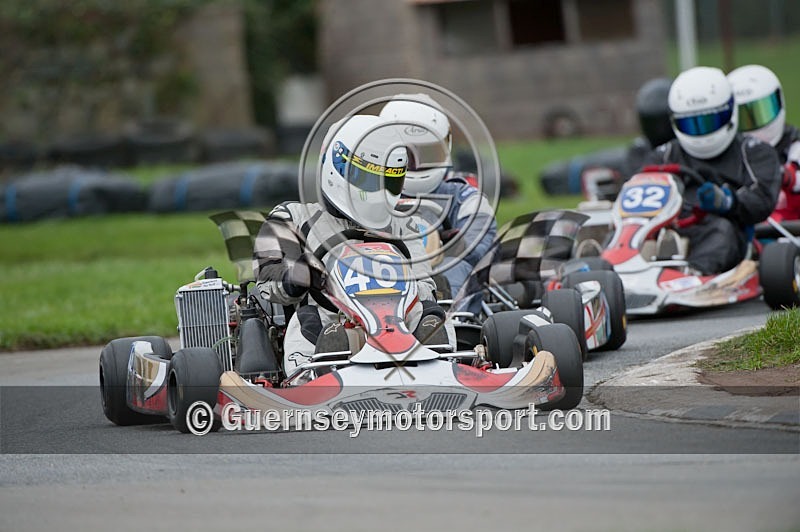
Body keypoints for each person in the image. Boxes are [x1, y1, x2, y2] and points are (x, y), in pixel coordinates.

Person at [253, 114, 443, 374]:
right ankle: (312, 382)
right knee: (308, 320)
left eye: (388, 181)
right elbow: (266, 282)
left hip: (399, 323)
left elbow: (425, 288)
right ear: (337, 167)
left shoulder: (405, 225)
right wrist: (296, 277)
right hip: (331, 319)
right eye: (369, 180)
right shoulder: (293, 218)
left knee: (430, 314)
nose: (377, 193)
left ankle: (442, 368)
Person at [643, 66, 781, 275]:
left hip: (724, 230)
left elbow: (762, 200)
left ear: (729, 111)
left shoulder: (754, 152)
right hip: (667, 229)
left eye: (709, 121)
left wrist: (727, 201)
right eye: (691, 124)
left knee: (721, 230)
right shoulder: (663, 156)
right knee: (636, 236)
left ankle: (690, 273)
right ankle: (611, 266)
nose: (701, 132)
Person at [378, 93, 497, 306]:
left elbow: (480, 240)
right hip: (383, 272)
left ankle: (439, 317)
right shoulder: (371, 194)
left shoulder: (464, 197)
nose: (415, 164)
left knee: (455, 265)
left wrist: (454, 245)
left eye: (427, 153)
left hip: (442, 277)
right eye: (404, 155)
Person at [728, 64, 800, 222]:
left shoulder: (795, 146)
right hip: (745, 236)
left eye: (761, 112)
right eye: (743, 119)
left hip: (791, 233)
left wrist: (784, 175)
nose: (752, 125)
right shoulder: (728, 158)